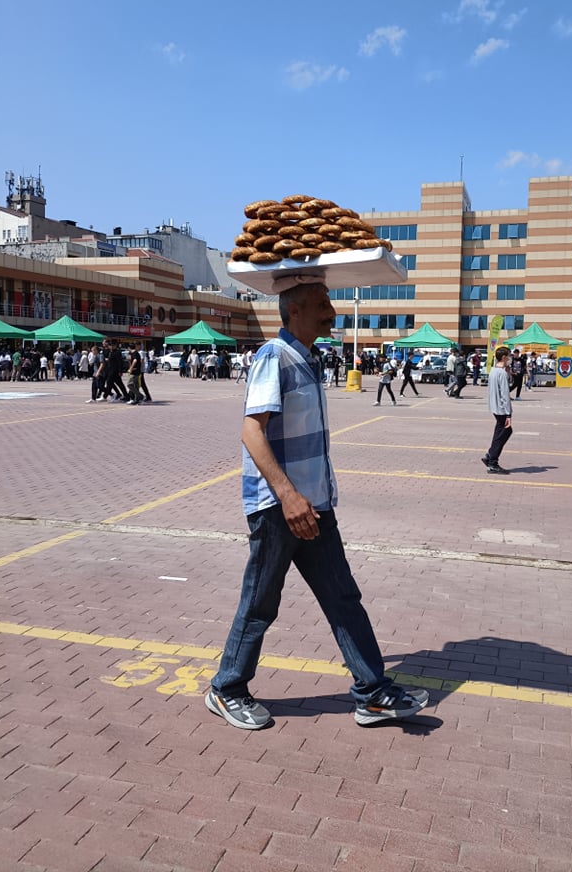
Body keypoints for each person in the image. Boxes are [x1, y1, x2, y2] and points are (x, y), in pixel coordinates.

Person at [205, 277, 429, 730]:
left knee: (343, 597)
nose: (332, 312)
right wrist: (288, 496)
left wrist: (308, 500)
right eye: (322, 304)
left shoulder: (308, 358)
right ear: (294, 311)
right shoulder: (275, 356)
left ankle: (372, 693)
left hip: (315, 507)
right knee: (260, 602)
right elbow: (252, 431)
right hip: (279, 507)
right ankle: (227, 689)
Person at [482, 346, 513, 475]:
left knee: (500, 431)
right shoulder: (501, 373)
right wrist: (509, 413)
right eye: (509, 356)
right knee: (505, 431)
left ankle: (490, 455)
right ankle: (492, 461)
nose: (510, 359)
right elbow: (505, 394)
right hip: (501, 408)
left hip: (494, 406)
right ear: (504, 357)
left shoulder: (494, 371)